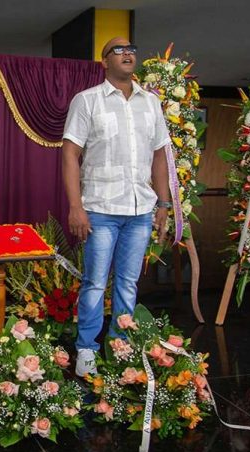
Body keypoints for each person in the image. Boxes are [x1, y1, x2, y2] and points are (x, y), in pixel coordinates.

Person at [62, 37, 172, 377]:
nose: (127, 53)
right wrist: (75, 206)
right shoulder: (87, 101)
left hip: (140, 210)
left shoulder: (150, 104)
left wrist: (164, 203)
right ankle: (87, 350)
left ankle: (120, 346)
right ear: (105, 62)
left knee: (128, 283)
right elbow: (70, 153)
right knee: (95, 281)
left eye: (132, 49)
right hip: (100, 209)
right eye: (119, 50)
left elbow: (159, 155)